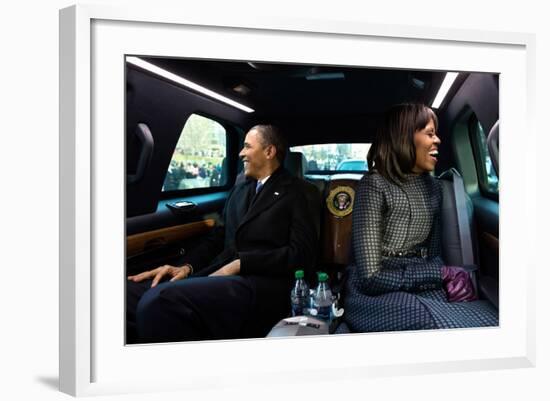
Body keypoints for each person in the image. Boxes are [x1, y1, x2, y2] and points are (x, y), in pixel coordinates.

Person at [127, 124, 318, 343]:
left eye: (247, 146)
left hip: (261, 285)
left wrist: (241, 264)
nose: (240, 153)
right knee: (127, 295)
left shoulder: (299, 192)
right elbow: (216, 238)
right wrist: (187, 267)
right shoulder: (240, 190)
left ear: (269, 151)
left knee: (159, 301)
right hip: (221, 274)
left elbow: (302, 254)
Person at [337, 104, 498, 333]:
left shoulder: (433, 188)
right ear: (404, 138)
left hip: (424, 286)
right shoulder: (373, 185)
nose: (438, 141)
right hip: (375, 293)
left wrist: (450, 278)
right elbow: (371, 278)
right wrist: (440, 274)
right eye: (430, 133)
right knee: (427, 321)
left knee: (488, 318)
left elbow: (433, 255)